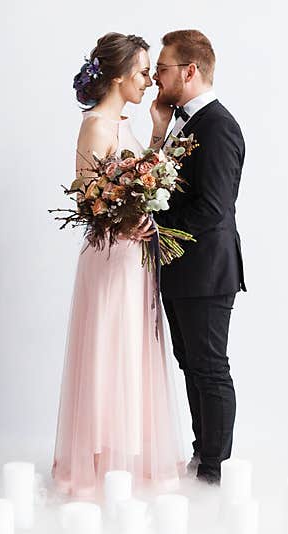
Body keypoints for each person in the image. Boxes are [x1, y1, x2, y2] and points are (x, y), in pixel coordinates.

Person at [51, 33, 187, 499]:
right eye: (144, 72)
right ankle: (97, 462)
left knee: (133, 348)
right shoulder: (96, 125)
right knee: (109, 347)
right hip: (111, 260)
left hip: (135, 261)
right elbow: (88, 199)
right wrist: (127, 222)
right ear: (119, 76)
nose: (151, 80)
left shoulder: (123, 122)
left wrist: (154, 129)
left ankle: (128, 453)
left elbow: (143, 174)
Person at [151, 30, 247, 485]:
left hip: (207, 272)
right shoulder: (184, 122)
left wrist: (154, 230)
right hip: (182, 270)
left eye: (162, 68)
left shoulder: (218, 125)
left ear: (189, 72)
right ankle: (200, 453)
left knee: (210, 367)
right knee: (191, 362)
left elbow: (213, 207)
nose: (154, 77)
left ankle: (213, 469)